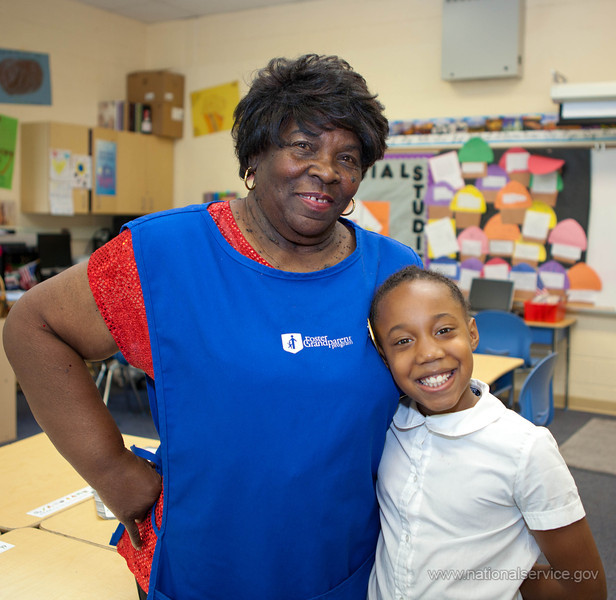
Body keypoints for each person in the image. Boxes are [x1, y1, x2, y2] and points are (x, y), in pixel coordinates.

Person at [3, 54, 422, 600]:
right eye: (303, 146)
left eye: (348, 156)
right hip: (206, 562)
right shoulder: (163, 256)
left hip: (348, 562)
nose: (327, 169)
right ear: (255, 155)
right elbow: (31, 326)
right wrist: (111, 470)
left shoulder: (392, 269)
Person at [366, 265, 606, 600]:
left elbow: (585, 587)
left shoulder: (525, 449)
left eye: (444, 330)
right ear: (384, 356)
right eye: (403, 341)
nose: (429, 353)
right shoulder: (387, 426)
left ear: (472, 333)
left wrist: (499, 577)